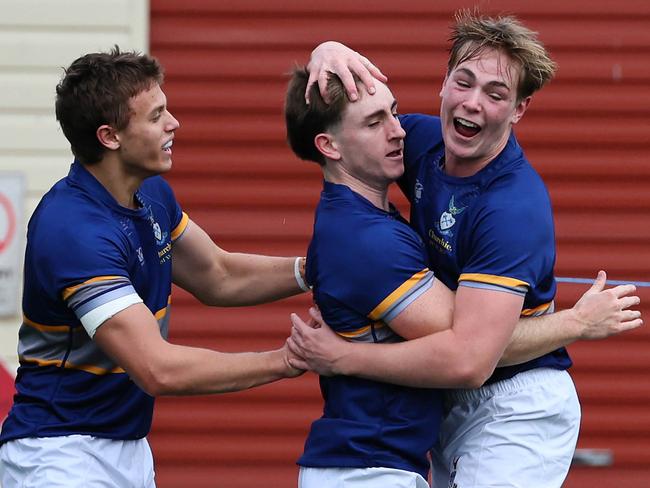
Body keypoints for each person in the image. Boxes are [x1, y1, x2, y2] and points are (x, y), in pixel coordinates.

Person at [288, 11, 643, 488]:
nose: (473, 103)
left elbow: (470, 356)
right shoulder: (414, 143)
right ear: (444, 83)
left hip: (516, 403)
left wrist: (343, 357)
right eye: (464, 82)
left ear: (518, 110)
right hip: (447, 399)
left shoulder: (512, 207)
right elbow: (346, 128)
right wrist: (327, 48)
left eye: (495, 95)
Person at [0, 47, 308, 488]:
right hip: (58, 452)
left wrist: (313, 271)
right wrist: (283, 361)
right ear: (110, 137)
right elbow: (157, 368)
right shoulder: (72, 230)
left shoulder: (153, 194)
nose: (174, 123)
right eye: (155, 115)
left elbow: (218, 274)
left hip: (128, 446)